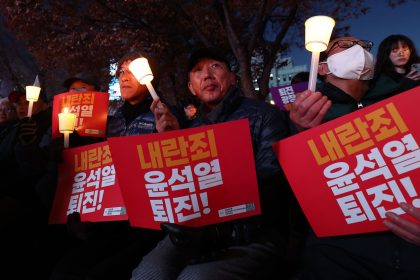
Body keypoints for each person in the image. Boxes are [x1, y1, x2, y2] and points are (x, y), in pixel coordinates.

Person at [131, 47, 293, 279]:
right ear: (191, 87)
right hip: (191, 234)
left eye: (215, 66)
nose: (207, 75)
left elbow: (272, 180)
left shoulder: (265, 115)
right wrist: (169, 140)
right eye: (197, 71)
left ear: (232, 77)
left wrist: (220, 227)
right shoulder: (190, 130)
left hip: (252, 235)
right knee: (146, 274)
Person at [289, 36, 420, 280]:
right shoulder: (305, 114)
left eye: (363, 45)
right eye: (345, 46)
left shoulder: (410, 94)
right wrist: (301, 136)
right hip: (342, 251)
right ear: (324, 67)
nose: (359, 50)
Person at [50, 51, 180, 280]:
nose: (124, 77)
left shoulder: (169, 116)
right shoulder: (108, 123)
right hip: (111, 222)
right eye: (121, 72)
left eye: (133, 71)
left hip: (151, 226)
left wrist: (171, 137)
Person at [368, 34, 420, 99]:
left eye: (405, 49)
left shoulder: (417, 71)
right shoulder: (378, 80)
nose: (401, 53)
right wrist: (405, 86)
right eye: (395, 50)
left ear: (411, 51)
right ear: (386, 54)